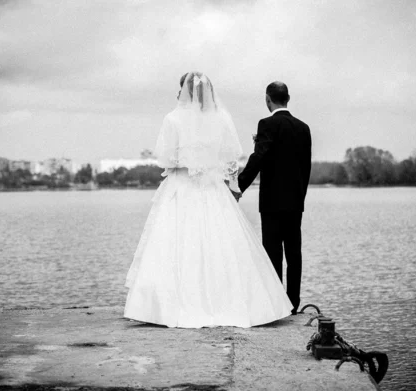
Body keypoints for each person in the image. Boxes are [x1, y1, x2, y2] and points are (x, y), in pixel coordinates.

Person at [124, 72, 292, 328]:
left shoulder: (172, 118)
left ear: (184, 91)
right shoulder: (222, 118)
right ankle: (233, 302)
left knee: (177, 244)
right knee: (222, 244)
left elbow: (166, 159)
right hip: (213, 189)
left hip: (182, 187)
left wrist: (188, 163)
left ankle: (169, 306)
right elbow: (231, 158)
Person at [237, 81, 312, 315]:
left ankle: (275, 302)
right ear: (287, 98)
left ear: (268, 99)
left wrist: (239, 186)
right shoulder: (303, 128)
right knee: (294, 253)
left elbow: (258, 158)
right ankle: (293, 303)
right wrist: (300, 195)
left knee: (272, 253)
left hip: (271, 202)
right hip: (295, 201)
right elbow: (305, 167)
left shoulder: (267, 124)